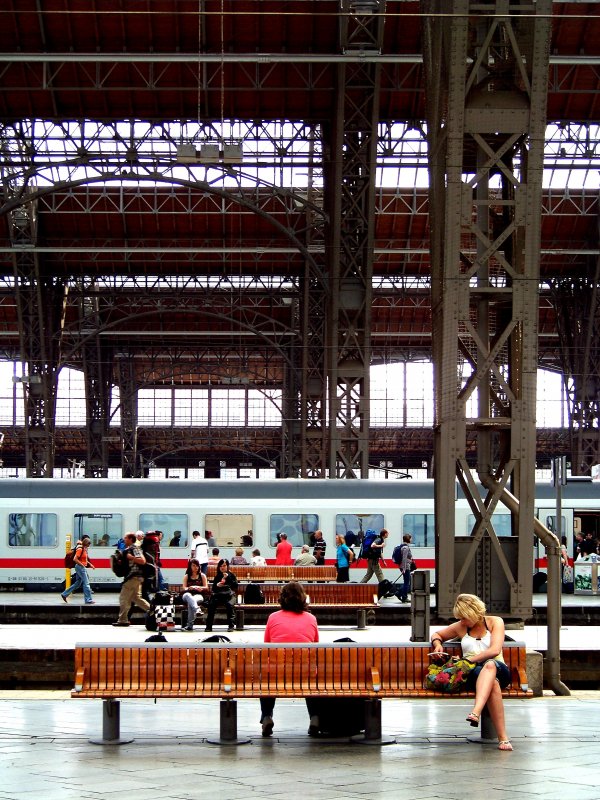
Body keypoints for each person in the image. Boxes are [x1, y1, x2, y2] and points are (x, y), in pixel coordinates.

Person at [430, 593, 513, 751]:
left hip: (499, 668)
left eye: (464, 617)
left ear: (474, 613)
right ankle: (503, 739)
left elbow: (494, 650)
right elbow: (437, 634)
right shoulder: (461, 627)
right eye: (460, 618)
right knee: (492, 684)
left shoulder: (495, 622)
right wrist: (437, 644)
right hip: (473, 673)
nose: (462, 621)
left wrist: (469, 660)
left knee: (490, 666)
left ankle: (476, 711)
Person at [259, 581, 320, 737]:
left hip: (278, 672)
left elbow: (267, 646)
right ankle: (315, 717)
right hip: (304, 673)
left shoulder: (272, 618)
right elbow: (315, 647)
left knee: (266, 676)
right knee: (313, 677)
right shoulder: (311, 618)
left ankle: (266, 716)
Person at [113, 532, 151, 626]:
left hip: (133, 577)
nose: (124, 539)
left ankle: (123, 620)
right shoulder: (128, 549)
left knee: (123, 598)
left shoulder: (134, 548)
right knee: (136, 598)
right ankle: (153, 611)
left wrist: (132, 558)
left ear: (130, 539)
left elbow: (142, 561)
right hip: (135, 577)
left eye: (126, 538)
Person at [205, 558, 238, 632]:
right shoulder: (218, 576)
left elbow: (235, 586)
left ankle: (231, 625)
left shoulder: (231, 575)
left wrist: (228, 578)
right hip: (219, 596)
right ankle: (208, 626)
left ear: (227, 566)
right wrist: (217, 585)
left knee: (229, 605)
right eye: (221, 566)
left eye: (224, 565)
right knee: (211, 605)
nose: (222, 567)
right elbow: (213, 589)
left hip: (229, 596)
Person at [60, 535, 95, 604]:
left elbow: (84, 559)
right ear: (85, 543)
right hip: (80, 568)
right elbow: (75, 559)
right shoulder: (80, 549)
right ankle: (88, 600)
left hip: (81, 567)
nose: (89, 546)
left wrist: (90, 564)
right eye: (88, 544)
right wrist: (82, 565)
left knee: (78, 583)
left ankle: (64, 594)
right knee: (86, 583)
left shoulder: (84, 549)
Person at [181, 558, 208, 631]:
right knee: (188, 596)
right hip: (187, 595)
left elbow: (206, 587)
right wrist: (190, 588)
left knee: (191, 603)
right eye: (193, 566)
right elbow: (184, 588)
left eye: (197, 566)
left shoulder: (202, 575)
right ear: (190, 566)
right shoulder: (187, 576)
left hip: (198, 595)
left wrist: (198, 587)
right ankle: (197, 609)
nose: (195, 567)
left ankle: (190, 626)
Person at [397, 533, 414, 603]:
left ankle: (399, 593)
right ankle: (404, 597)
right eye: (411, 538)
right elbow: (404, 558)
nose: (411, 539)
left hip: (405, 566)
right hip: (405, 567)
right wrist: (404, 568)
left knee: (406, 582)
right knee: (407, 582)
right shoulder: (406, 548)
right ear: (408, 539)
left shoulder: (403, 546)